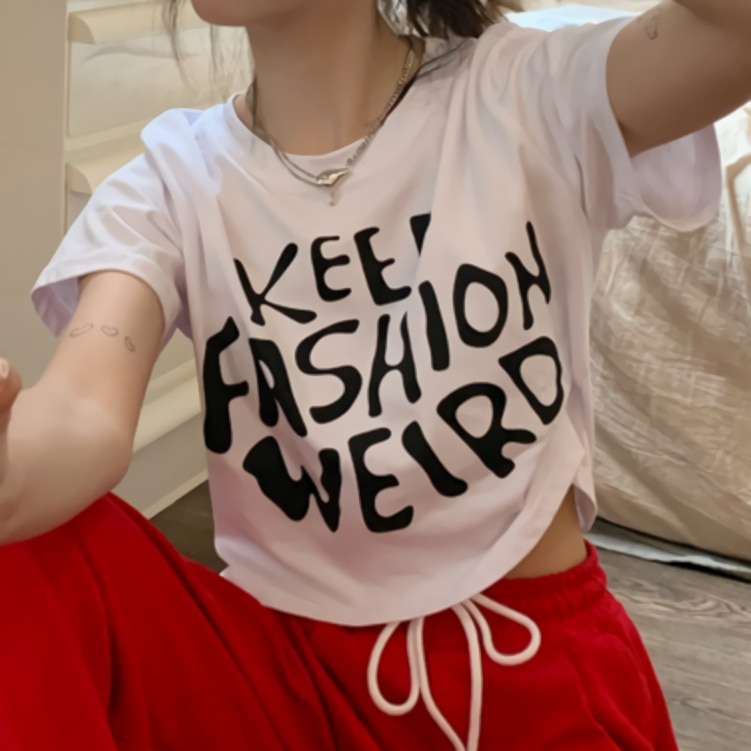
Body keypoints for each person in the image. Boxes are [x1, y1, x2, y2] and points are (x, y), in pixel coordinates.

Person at [0, 1, 748, 748]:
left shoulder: (531, 88)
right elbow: (82, 411)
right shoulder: (171, 179)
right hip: (277, 678)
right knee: (23, 548)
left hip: (519, 677)